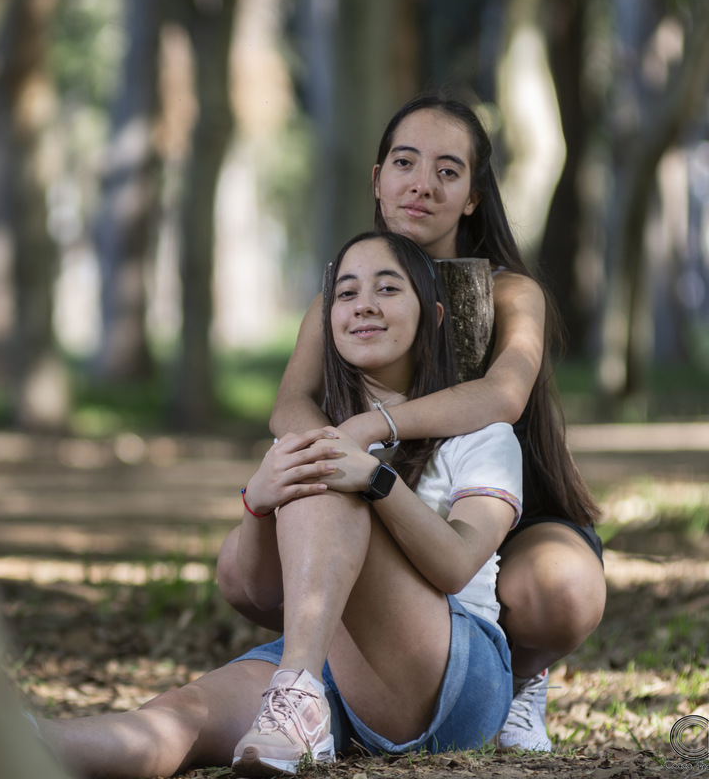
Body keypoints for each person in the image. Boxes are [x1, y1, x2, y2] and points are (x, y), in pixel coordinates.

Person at [37, 231, 523, 778]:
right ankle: (9, 743)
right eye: (346, 293)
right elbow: (259, 590)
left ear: (432, 316)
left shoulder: (481, 434)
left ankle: (296, 697)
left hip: (452, 679)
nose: (364, 304)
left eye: (388, 289)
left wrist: (375, 481)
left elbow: (458, 565)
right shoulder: (308, 431)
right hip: (329, 664)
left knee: (324, 478)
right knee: (180, 714)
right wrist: (257, 504)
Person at [216, 92, 606, 752]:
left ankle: (517, 679)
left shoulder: (512, 292)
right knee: (260, 557)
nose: (422, 184)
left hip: (502, 512)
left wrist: (372, 428)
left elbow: (503, 395)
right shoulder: (344, 294)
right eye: (405, 163)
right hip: (380, 506)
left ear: (473, 196)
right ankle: (334, 682)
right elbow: (290, 403)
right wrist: (326, 452)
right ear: (377, 179)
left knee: (559, 589)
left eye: (447, 171)